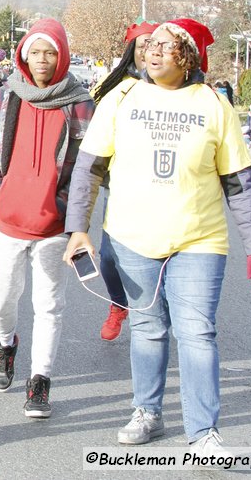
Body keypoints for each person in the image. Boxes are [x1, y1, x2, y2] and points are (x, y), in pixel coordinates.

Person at [64, 19, 251, 452]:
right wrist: (77, 229)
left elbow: (239, 181)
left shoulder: (214, 104)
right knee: (148, 327)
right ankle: (148, 411)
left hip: (199, 241)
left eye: (166, 45)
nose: (154, 51)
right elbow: (89, 168)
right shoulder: (120, 97)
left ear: (189, 57)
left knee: (196, 332)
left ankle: (203, 433)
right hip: (130, 237)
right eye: (150, 44)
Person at [0, 18, 94, 419]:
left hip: (55, 225)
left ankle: (39, 380)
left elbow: (88, 167)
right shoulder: (7, 95)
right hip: (9, 221)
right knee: (0, 300)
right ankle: (5, 344)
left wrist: (71, 211)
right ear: (24, 54)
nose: (42, 60)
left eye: (50, 52)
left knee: (49, 304)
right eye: (35, 51)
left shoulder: (79, 102)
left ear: (61, 56)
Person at [89, 20, 158, 342]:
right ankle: (118, 305)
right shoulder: (114, 88)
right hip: (119, 185)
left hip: (163, 189)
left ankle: (159, 310)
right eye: (143, 43)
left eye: (155, 43)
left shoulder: (177, 88)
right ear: (133, 49)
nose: (149, 49)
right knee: (108, 257)